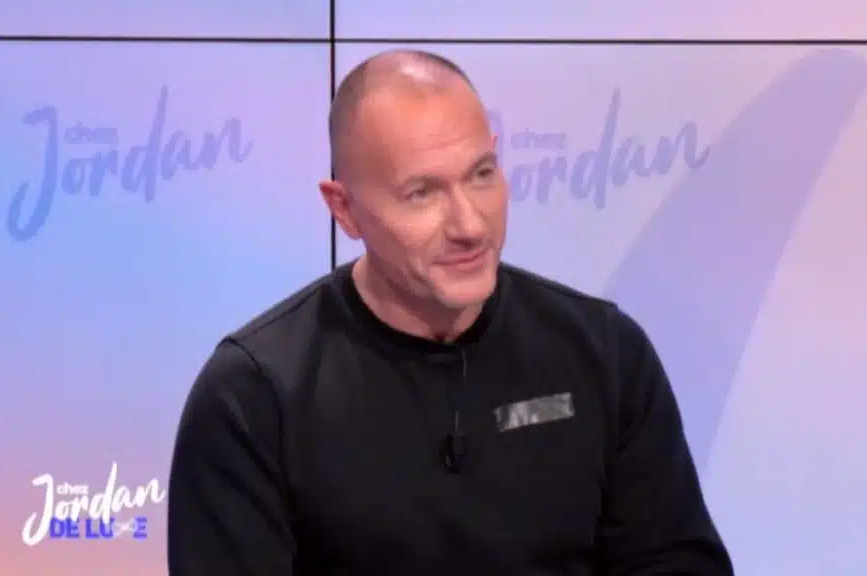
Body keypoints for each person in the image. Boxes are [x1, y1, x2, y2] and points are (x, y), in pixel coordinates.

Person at [167, 49, 733, 575]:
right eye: (422, 193)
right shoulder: (255, 396)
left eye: (481, 174)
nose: (469, 224)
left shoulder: (606, 354)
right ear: (345, 210)